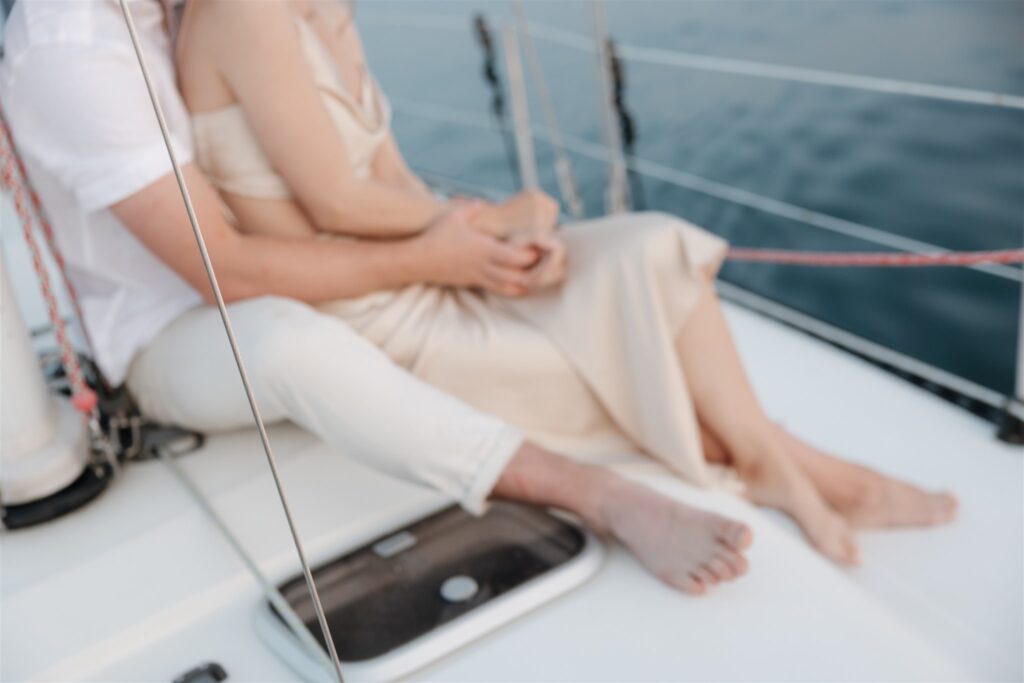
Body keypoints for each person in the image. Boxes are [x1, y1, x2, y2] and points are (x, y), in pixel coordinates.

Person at [0, 0, 754, 596]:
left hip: (289, 269)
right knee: (283, 344)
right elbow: (224, 274)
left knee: (629, 257)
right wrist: (432, 256)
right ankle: (597, 493)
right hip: (169, 337)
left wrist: (461, 231)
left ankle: (771, 453)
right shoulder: (72, 51)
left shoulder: (168, 10)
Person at [173, 0, 958, 564]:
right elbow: (334, 201)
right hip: (370, 310)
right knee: (623, 365)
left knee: (652, 249)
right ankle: (811, 472)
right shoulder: (244, 12)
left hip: (428, 259)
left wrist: (494, 234)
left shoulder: (324, 9)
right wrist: (488, 224)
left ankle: (776, 467)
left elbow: (391, 175)